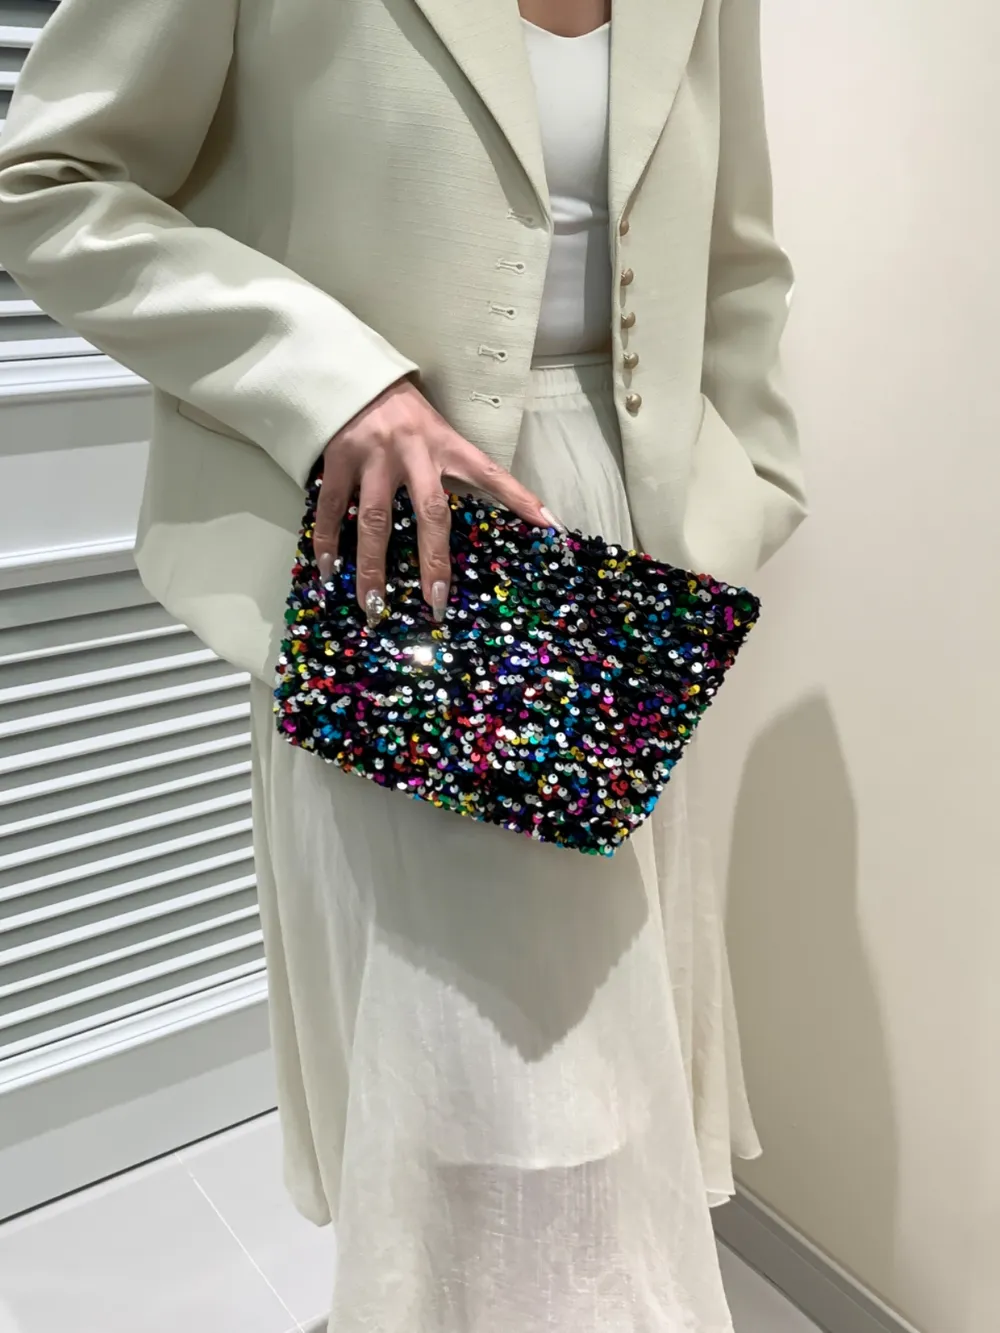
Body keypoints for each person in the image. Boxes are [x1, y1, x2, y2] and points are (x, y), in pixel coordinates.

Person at [0, 0, 806, 1326]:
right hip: (397, 567)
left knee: (617, 1052)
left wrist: (744, 497)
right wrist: (330, 384)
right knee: (481, 1070)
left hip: (630, 555)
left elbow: (737, 258)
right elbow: (51, 180)